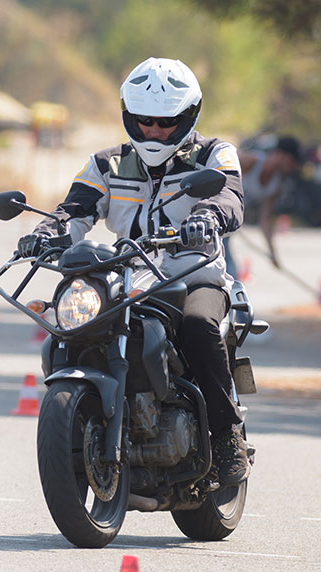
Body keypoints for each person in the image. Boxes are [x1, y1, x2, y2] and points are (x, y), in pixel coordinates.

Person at [16, 57, 250, 486]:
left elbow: (231, 198)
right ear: (128, 116)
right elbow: (76, 208)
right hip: (124, 276)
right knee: (70, 325)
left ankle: (227, 436)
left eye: (166, 122)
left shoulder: (215, 154)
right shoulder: (107, 164)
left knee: (199, 325)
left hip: (194, 272)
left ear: (188, 117)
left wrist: (207, 217)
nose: (154, 131)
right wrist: (47, 231)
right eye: (144, 121)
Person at [235, 135, 302, 270]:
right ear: (281, 155)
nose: (293, 167)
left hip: (226, 224)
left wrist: (272, 254)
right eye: (293, 161)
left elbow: (265, 219)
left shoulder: (276, 184)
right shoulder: (250, 161)